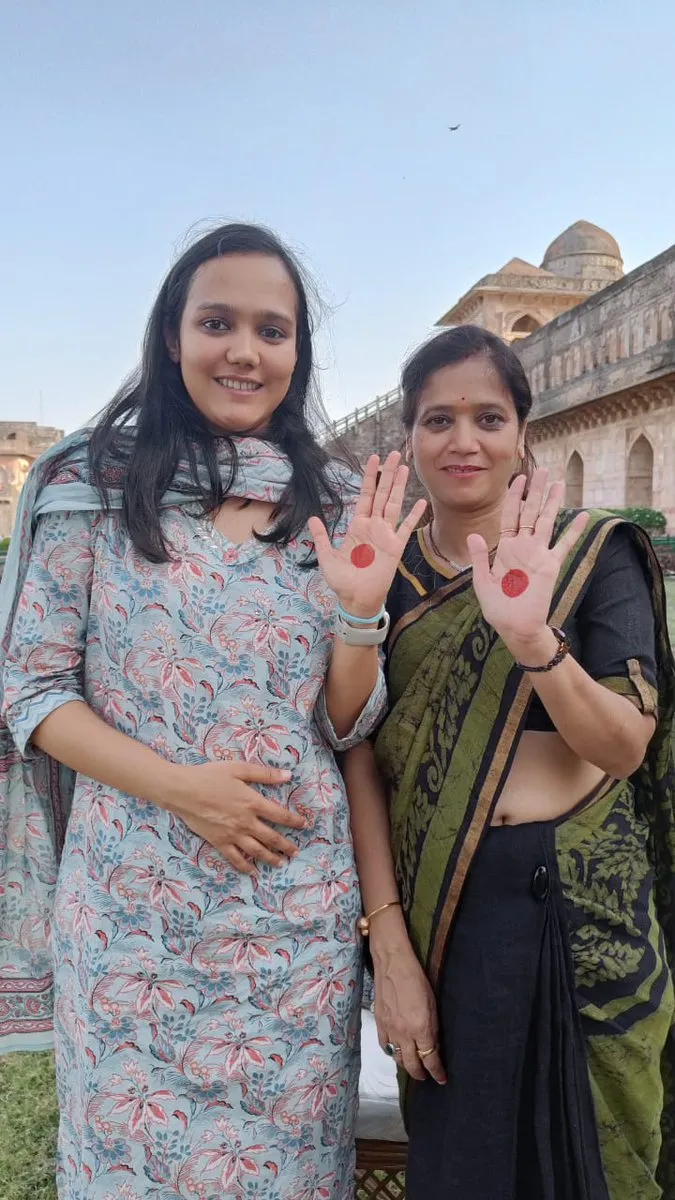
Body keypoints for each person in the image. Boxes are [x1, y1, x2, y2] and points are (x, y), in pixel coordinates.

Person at [0, 222, 426, 1199]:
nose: (244, 351)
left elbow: (347, 727)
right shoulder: (90, 485)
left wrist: (359, 615)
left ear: (298, 351)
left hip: (294, 927)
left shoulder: (337, 501)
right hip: (131, 918)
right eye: (217, 323)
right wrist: (183, 791)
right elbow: (32, 688)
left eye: (272, 330)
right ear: (172, 335)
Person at [344, 325, 675, 1199]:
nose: (463, 441)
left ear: (522, 432)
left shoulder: (588, 554)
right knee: (465, 1169)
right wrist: (390, 950)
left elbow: (622, 745)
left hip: (582, 913)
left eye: (487, 417)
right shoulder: (382, 573)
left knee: (599, 1169)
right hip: (444, 918)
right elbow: (358, 757)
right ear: (409, 437)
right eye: (437, 419)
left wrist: (532, 641)